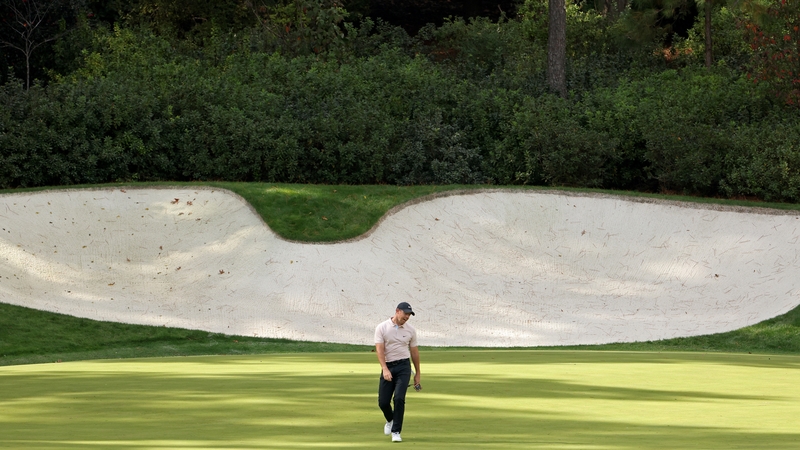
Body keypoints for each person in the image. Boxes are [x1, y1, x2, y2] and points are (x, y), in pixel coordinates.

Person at [374, 302, 421, 443]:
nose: (407, 317)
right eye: (405, 313)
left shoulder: (410, 330)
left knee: (399, 398)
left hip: (403, 366)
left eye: (409, 314)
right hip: (388, 365)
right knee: (383, 403)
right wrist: (385, 369)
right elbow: (380, 350)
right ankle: (390, 420)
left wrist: (418, 373)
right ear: (397, 311)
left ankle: (396, 431)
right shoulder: (382, 327)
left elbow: (414, 352)